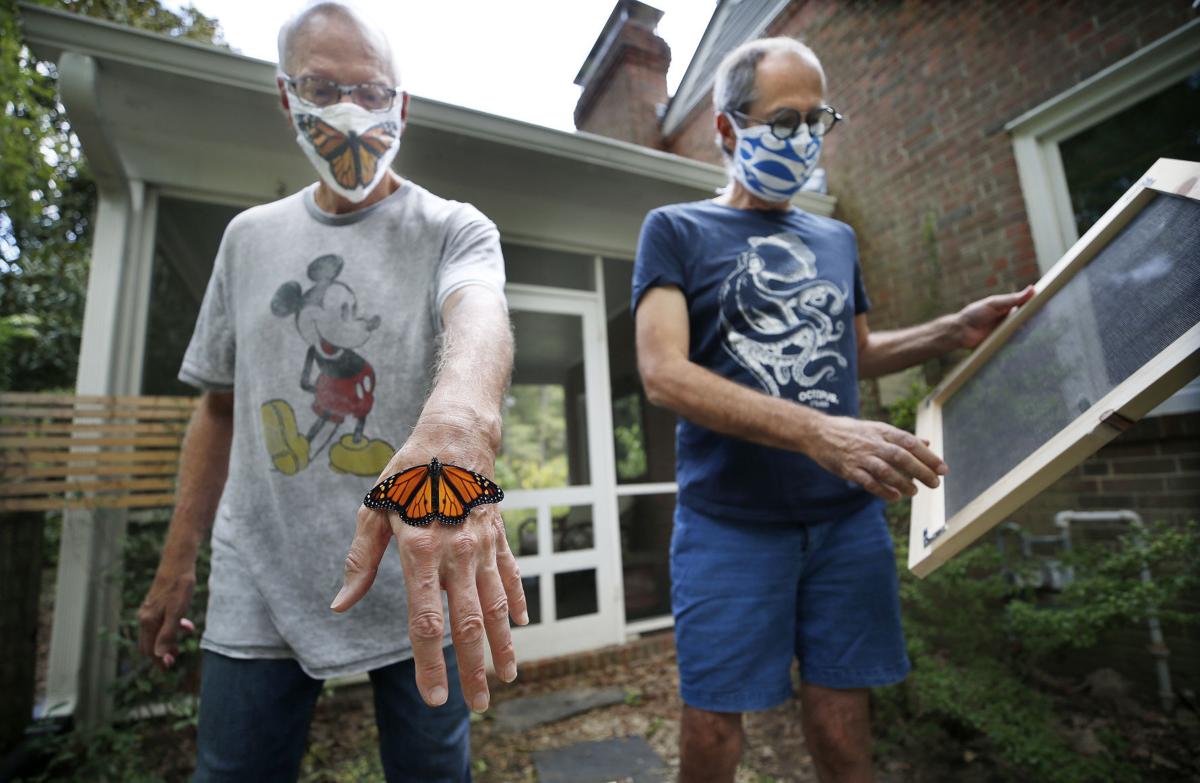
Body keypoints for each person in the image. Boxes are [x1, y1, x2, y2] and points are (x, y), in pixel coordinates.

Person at [136, 3, 527, 780]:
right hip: (260, 568)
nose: (351, 110)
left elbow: (480, 311)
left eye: (373, 93)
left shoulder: (453, 227)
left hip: (419, 554)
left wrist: (460, 429)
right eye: (323, 86)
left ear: (402, 105)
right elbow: (218, 406)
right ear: (288, 96)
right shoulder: (248, 239)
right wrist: (177, 556)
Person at [632, 37, 1034, 783]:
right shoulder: (676, 231)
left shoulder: (836, 238)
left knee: (845, 721)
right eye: (788, 120)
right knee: (714, 728)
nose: (809, 137)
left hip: (844, 523)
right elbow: (664, 375)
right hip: (729, 523)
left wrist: (951, 330)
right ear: (727, 129)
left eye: (821, 119)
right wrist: (817, 430)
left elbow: (860, 351)